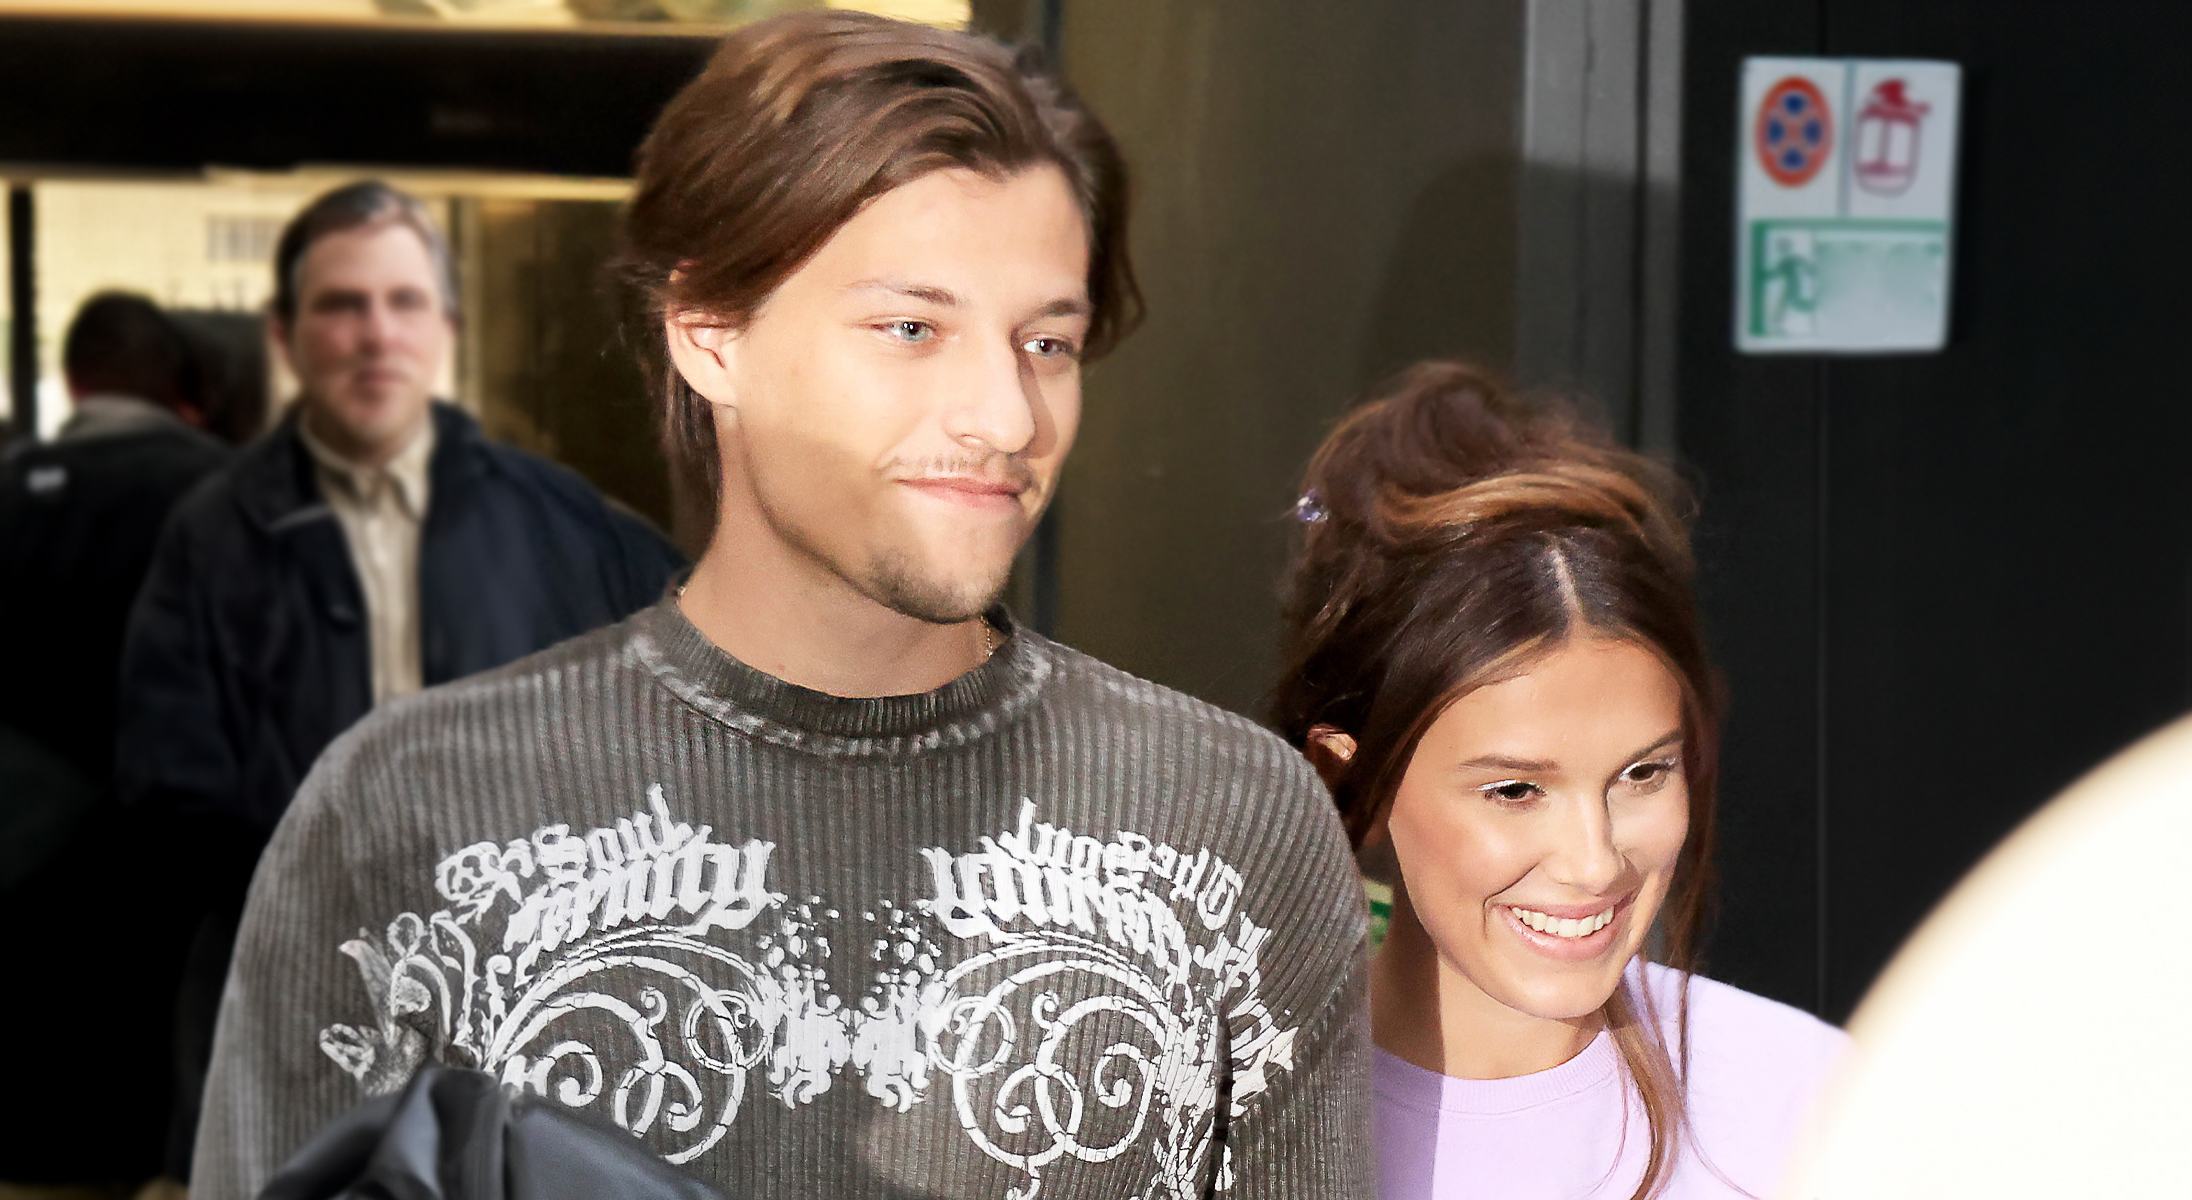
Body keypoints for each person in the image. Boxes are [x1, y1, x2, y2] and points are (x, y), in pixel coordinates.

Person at [188, 13, 1371, 1200]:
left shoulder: (1231, 826)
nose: (1008, 418)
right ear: (710, 333)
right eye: (912, 328)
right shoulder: (405, 811)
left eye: (1046, 344)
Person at [122, 181, 686, 1183]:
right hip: (287, 1041)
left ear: (447, 329)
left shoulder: (570, 530)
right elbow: (170, 795)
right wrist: (357, 912)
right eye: (342, 305)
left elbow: (678, 750)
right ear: (286, 336)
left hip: (525, 1067)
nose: (375, 333)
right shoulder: (212, 536)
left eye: (405, 302)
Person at [1273, 363, 1846, 1200]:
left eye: (1644, 773)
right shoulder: (1224, 1118)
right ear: (1351, 783)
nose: (1594, 863)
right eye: (1514, 790)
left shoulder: (1810, 1106)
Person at [0, 292, 232, 1194]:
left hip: (16, 873)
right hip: (176, 875)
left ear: (74, 381)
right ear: (176, 383)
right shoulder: (235, 495)